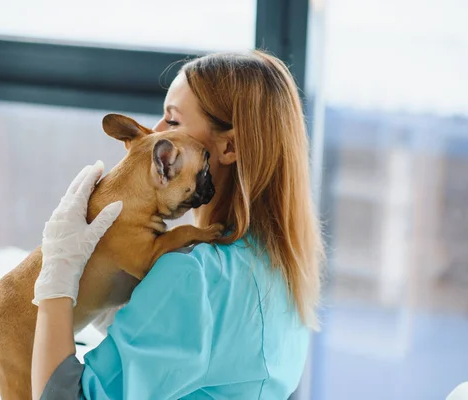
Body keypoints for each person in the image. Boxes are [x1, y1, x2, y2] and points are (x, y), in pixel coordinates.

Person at [31, 50, 325, 400]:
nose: (153, 133)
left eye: (172, 121)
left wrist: (56, 280)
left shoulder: (192, 276)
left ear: (229, 146)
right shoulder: (280, 265)